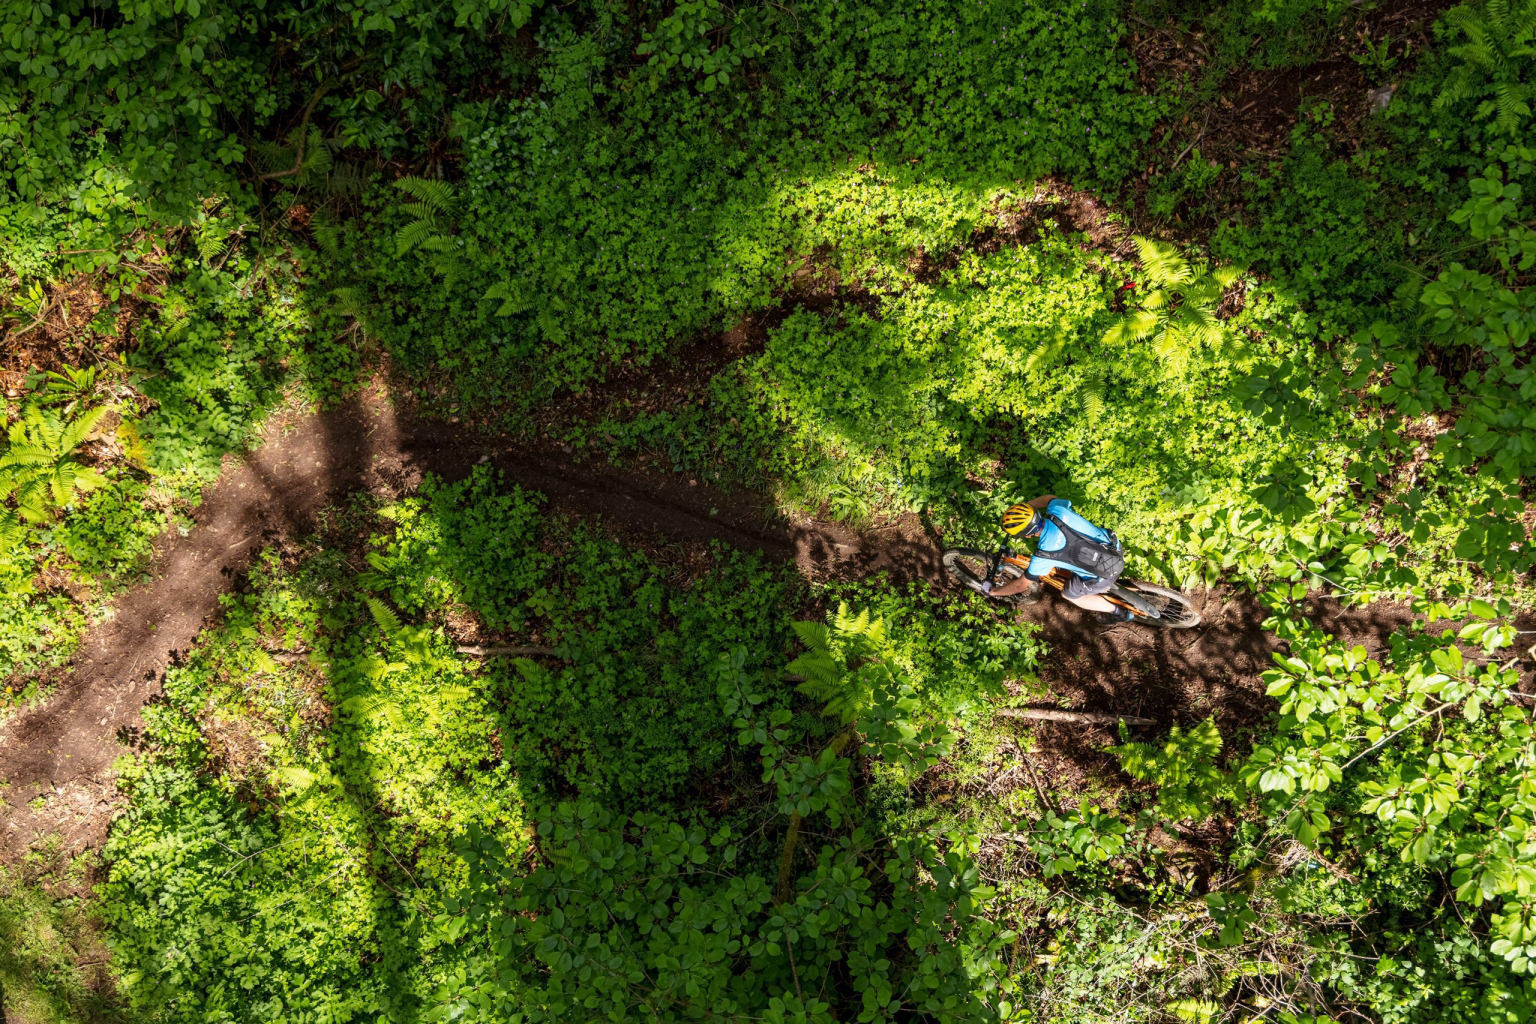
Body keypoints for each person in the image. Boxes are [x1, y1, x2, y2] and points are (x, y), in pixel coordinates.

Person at [983, 495, 1133, 619]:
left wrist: (994, 592)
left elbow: (1020, 585)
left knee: (1069, 595)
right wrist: (1026, 506)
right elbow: (1048, 498)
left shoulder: (1045, 554)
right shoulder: (1057, 510)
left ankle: (1119, 612)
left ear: (1027, 535)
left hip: (1104, 574)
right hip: (1114, 547)